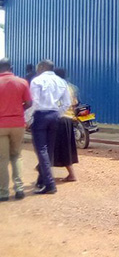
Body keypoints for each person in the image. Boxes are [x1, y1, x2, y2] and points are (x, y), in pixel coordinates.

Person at [29, 59, 71, 194]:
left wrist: (27, 119)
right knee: (49, 149)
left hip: (40, 115)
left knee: (41, 150)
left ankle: (50, 184)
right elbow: (66, 103)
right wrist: (57, 114)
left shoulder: (37, 81)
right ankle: (42, 180)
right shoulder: (61, 82)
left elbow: (34, 102)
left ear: (42, 67)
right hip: (54, 115)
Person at [0, 58, 32, 201]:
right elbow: (29, 102)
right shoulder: (22, 82)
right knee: (16, 156)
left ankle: (4, 193)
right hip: (18, 123)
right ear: (11, 67)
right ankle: (19, 189)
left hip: (1, 125)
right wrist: (19, 109)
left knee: (2, 159)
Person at [51, 68, 78, 182]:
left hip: (60, 119)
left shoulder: (57, 87)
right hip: (68, 119)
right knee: (62, 147)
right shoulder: (69, 87)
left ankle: (71, 174)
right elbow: (75, 102)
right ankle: (43, 169)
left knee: (57, 146)